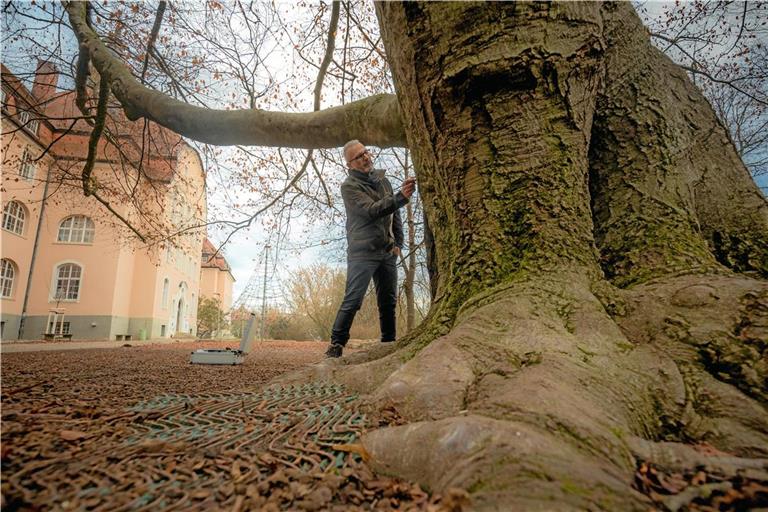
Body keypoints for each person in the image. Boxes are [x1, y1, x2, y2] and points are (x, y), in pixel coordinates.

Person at [325, 140, 416, 358]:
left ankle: (388, 344)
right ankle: (336, 345)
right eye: (358, 156)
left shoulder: (383, 180)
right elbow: (371, 210)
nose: (365, 157)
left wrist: (398, 245)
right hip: (362, 253)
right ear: (350, 165)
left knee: (388, 301)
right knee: (353, 300)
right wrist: (401, 197)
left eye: (365, 152)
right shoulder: (349, 187)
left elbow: (395, 216)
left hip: (386, 251)